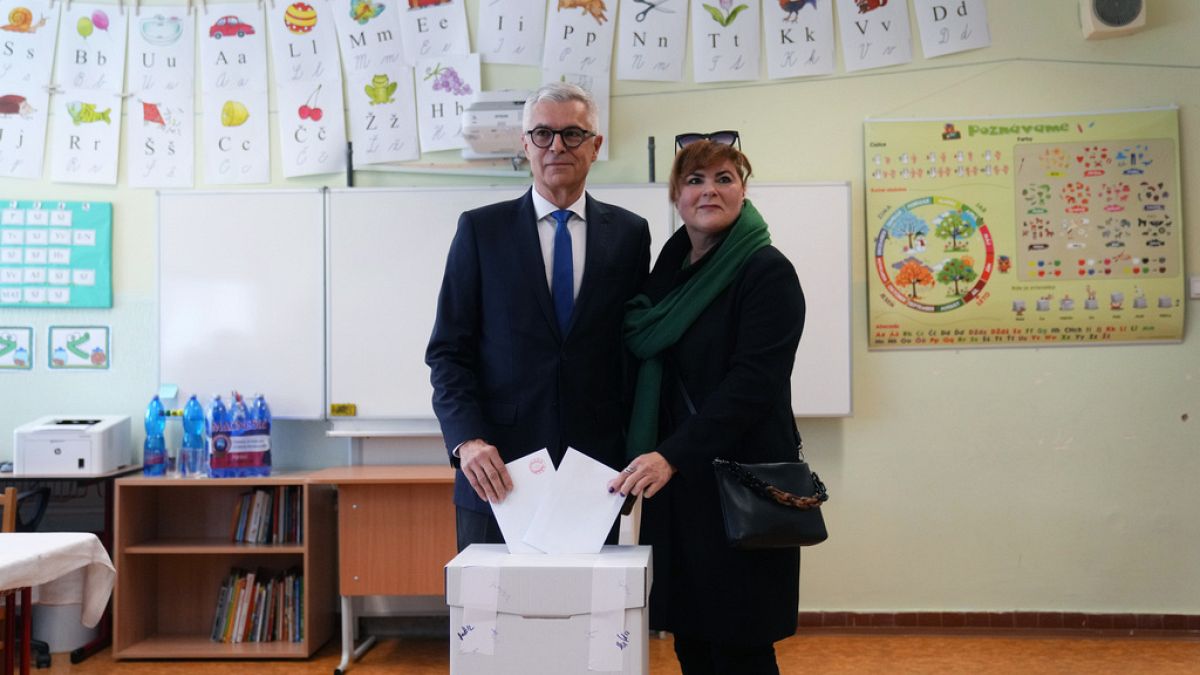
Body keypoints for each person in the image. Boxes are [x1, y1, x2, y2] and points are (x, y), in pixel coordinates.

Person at [608, 132, 806, 675]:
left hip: (737, 485)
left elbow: (751, 386)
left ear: (744, 191)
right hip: (679, 493)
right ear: (677, 197)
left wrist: (670, 455)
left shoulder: (766, 271)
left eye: (725, 178)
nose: (709, 190)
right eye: (695, 180)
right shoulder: (666, 280)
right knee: (692, 642)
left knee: (740, 646)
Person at [426, 82, 651, 552]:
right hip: (499, 474)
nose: (557, 146)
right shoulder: (480, 231)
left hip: (593, 476)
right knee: (494, 622)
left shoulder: (630, 235)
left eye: (573, 134)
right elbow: (449, 351)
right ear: (525, 144)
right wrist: (467, 440)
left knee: (586, 620)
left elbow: (634, 353)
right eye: (543, 134)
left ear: (596, 146)